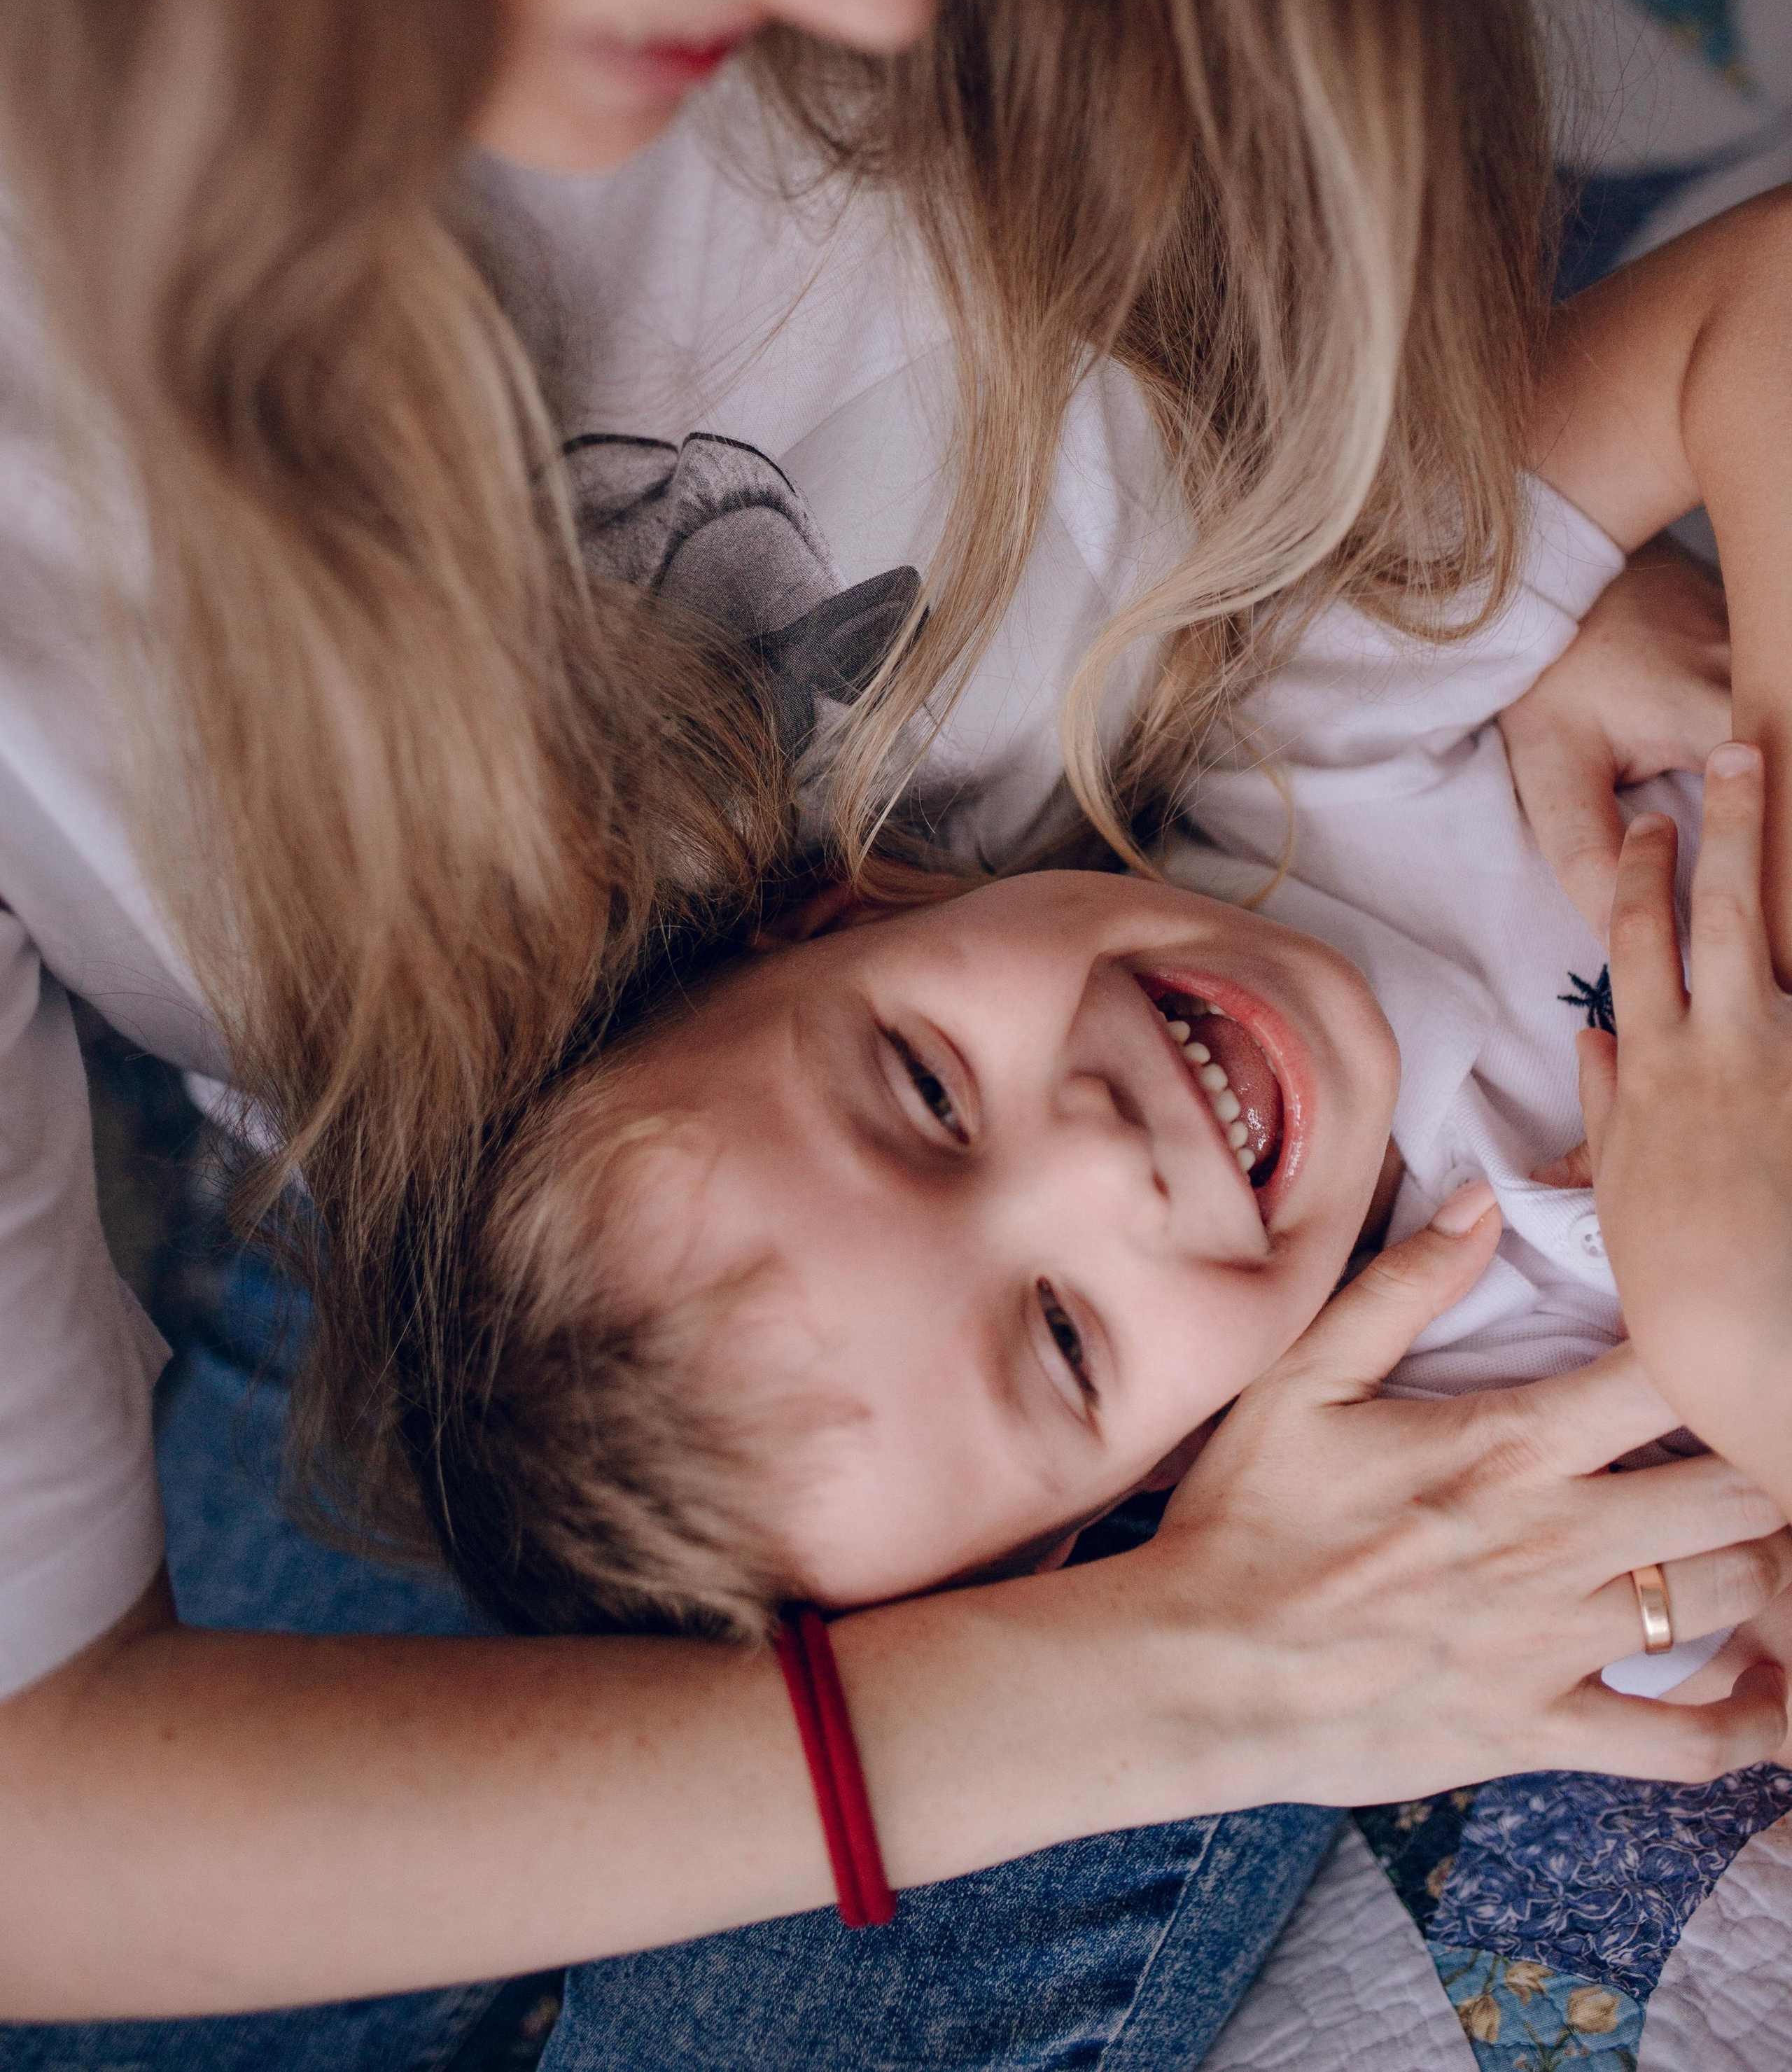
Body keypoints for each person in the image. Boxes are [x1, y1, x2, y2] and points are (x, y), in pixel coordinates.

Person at [0, 0, 1783, 2061]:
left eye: (938, 1095)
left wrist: (1508, 555)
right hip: (481, 1245)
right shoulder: (1333, 1385)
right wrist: (1173, 1661)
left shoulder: (1310, 744)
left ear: (862, 906)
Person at [354, 197, 1792, 1704]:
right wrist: (1739, 1349)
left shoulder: (1304, 714)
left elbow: (1750, 300)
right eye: (1060, 1339)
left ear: (861, 902)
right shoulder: (1494, 1484)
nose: (1103, 1161)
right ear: (1126, 1515)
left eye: (924, 1091)